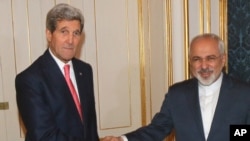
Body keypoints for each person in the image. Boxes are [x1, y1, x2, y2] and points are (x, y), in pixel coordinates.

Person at [103, 33, 250, 141]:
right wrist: (123, 140)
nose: (204, 66)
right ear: (190, 62)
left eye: (210, 58)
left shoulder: (244, 93)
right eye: (197, 59)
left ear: (223, 59)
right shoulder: (177, 94)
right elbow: (157, 129)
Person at [15, 3, 99, 141]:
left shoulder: (85, 70)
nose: (70, 40)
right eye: (64, 32)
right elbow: (44, 136)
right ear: (49, 34)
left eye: (76, 33)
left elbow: (89, 126)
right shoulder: (29, 79)